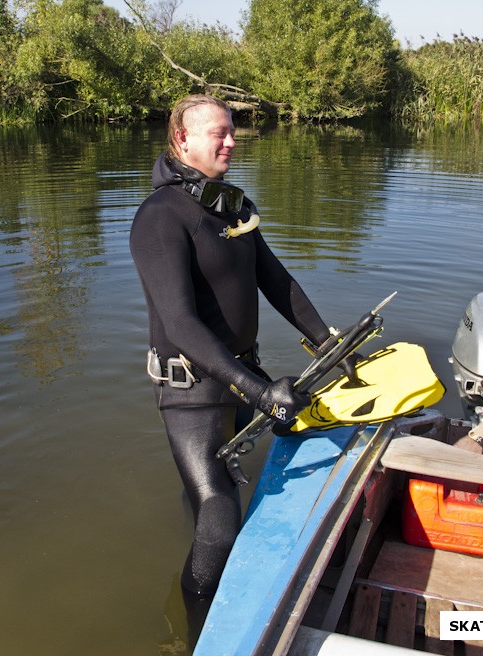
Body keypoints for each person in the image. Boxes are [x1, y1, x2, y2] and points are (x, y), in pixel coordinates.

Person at [130, 94, 334, 598]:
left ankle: (202, 508)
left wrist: (330, 344)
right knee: (222, 522)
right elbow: (179, 323)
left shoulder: (233, 206)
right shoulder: (160, 217)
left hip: (242, 376)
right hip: (193, 390)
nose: (231, 140)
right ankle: (195, 626)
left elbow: (275, 280)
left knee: (216, 491)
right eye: (217, 132)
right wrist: (261, 393)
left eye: (232, 130)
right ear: (182, 138)